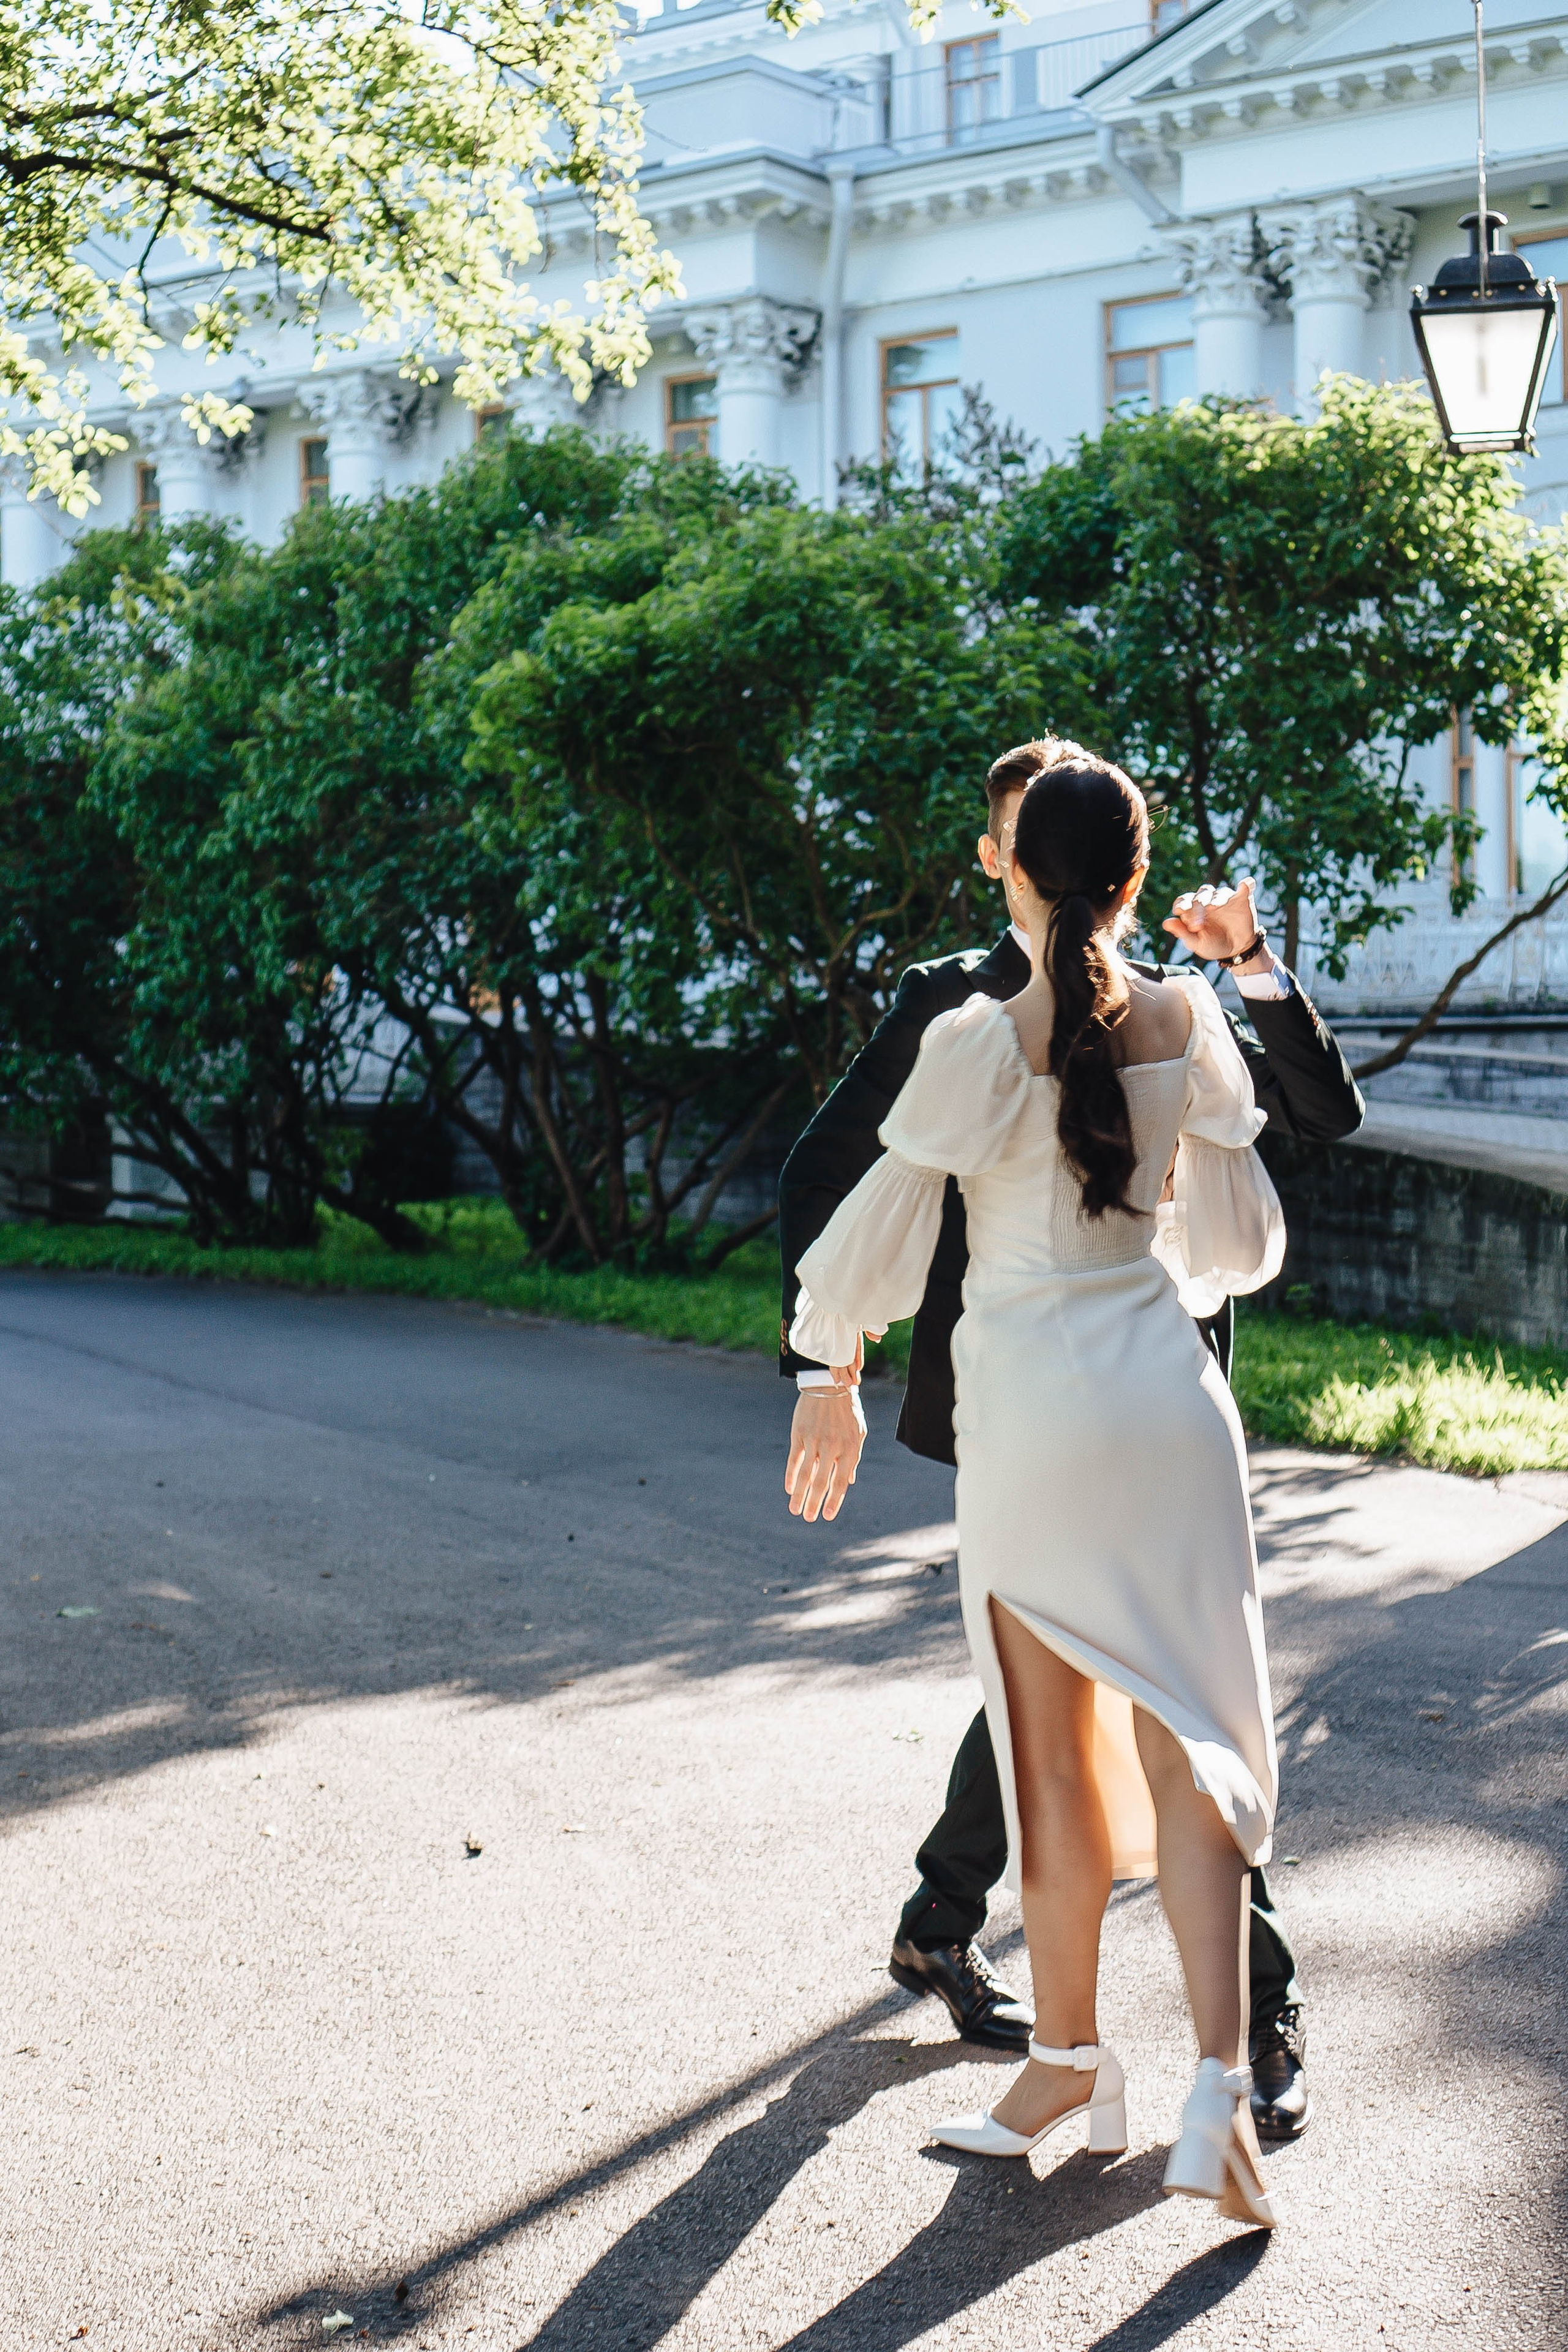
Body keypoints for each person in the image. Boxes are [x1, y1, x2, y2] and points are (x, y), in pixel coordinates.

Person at [778, 736, 1364, 2146]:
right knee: (1158, 1709)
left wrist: (1251, 960)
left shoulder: (1091, 1017)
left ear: (1019, 866)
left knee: (1075, 1710)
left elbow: (1318, 1114)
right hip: (1126, 1397)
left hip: (1062, 1404)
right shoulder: (1019, 1008)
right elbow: (831, 1176)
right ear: (1123, 874)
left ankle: (1124, 2040)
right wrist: (829, 1369)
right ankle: (1168, 2048)